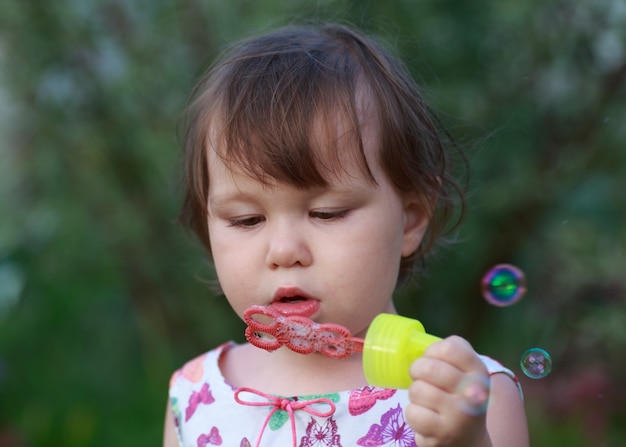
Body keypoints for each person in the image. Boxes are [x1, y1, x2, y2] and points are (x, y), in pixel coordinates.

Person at [163, 22, 529, 447]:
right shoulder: (193, 394)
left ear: (410, 220)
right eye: (246, 220)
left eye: (326, 212)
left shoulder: (465, 397)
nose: (284, 251)